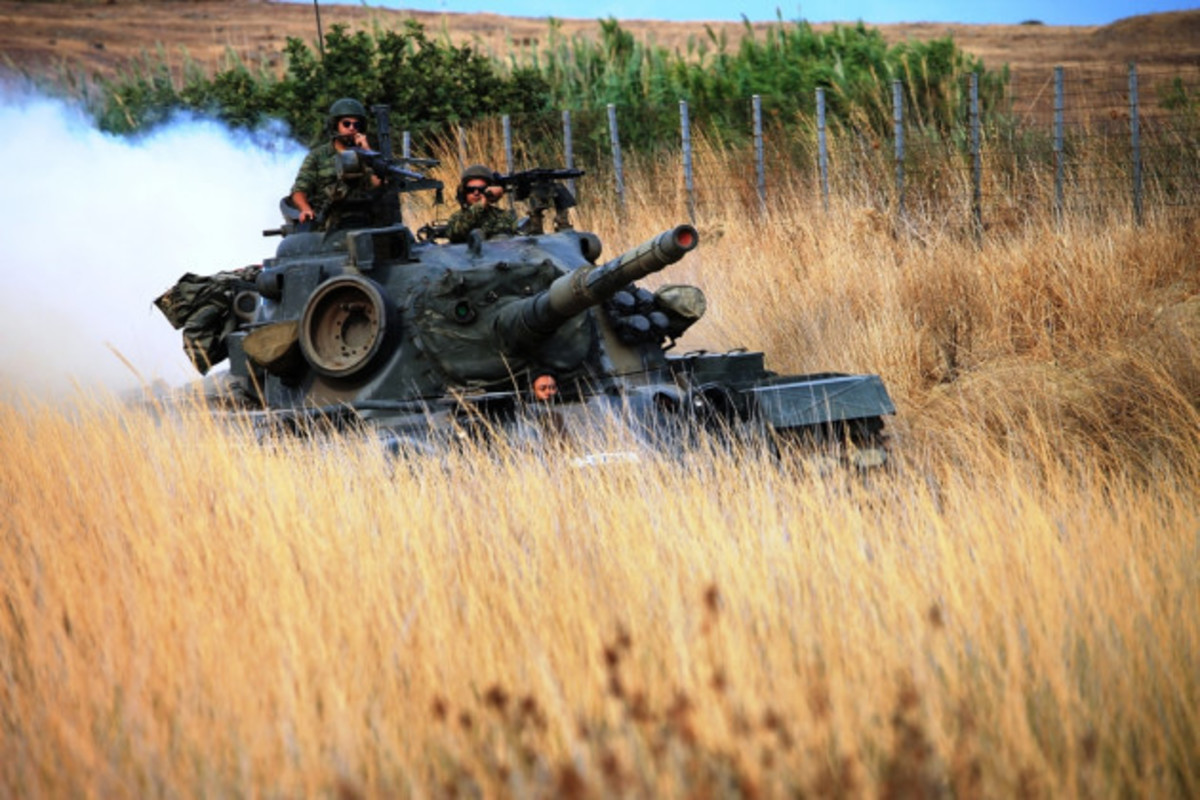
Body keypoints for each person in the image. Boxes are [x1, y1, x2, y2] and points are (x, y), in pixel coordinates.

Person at [290, 98, 379, 228]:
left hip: (363, 219)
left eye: (356, 125)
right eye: (346, 124)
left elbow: (377, 183)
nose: (352, 128)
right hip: (328, 222)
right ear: (335, 125)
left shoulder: (367, 155)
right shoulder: (318, 156)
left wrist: (367, 152)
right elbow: (299, 191)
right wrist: (305, 209)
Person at [445, 164, 518, 243]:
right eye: (470, 189)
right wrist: (481, 204)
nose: (476, 193)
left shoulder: (503, 216)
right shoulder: (457, 218)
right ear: (464, 192)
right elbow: (456, 233)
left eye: (481, 189)